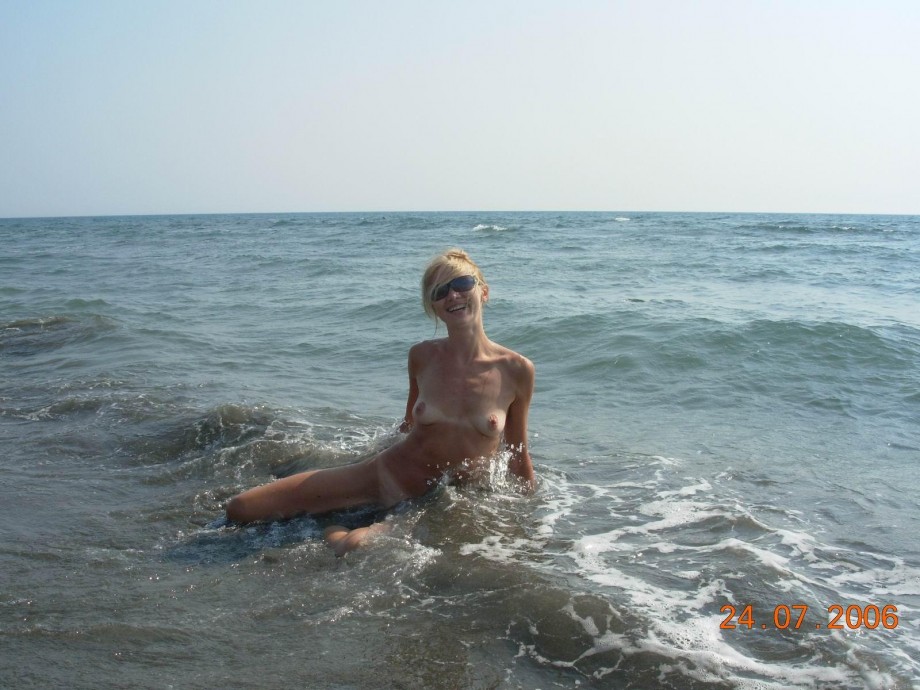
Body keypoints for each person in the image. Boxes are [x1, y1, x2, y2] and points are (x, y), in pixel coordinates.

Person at [226, 248, 536, 555]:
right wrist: (356, 459)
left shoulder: (516, 370)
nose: (452, 296)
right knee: (241, 508)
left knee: (357, 546)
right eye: (440, 291)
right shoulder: (422, 356)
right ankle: (340, 516)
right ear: (433, 306)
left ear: (483, 292)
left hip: (437, 497)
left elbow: (517, 456)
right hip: (387, 472)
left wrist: (534, 522)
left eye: (462, 284)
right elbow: (408, 425)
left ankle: (332, 530)